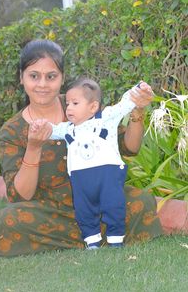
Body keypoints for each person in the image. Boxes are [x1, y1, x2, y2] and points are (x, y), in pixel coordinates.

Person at [0, 39, 163, 257]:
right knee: (11, 219)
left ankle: (84, 237)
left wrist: (138, 111)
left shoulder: (80, 104)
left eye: (51, 76)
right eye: (34, 76)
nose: (43, 84)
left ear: (62, 78)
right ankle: (98, 235)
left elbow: (129, 147)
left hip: (99, 199)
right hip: (51, 211)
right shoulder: (12, 131)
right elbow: (20, 195)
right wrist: (34, 147)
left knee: (141, 200)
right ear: (21, 78)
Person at [31, 77, 140, 249]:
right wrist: (41, 126)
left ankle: (115, 240)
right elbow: (51, 130)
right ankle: (92, 242)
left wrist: (140, 88)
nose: (69, 108)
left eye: (75, 103)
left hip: (107, 176)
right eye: (67, 104)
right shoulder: (68, 129)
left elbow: (125, 104)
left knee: (114, 206)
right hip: (80, 180)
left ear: (93, 106)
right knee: (84, 210)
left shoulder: (106, 118)